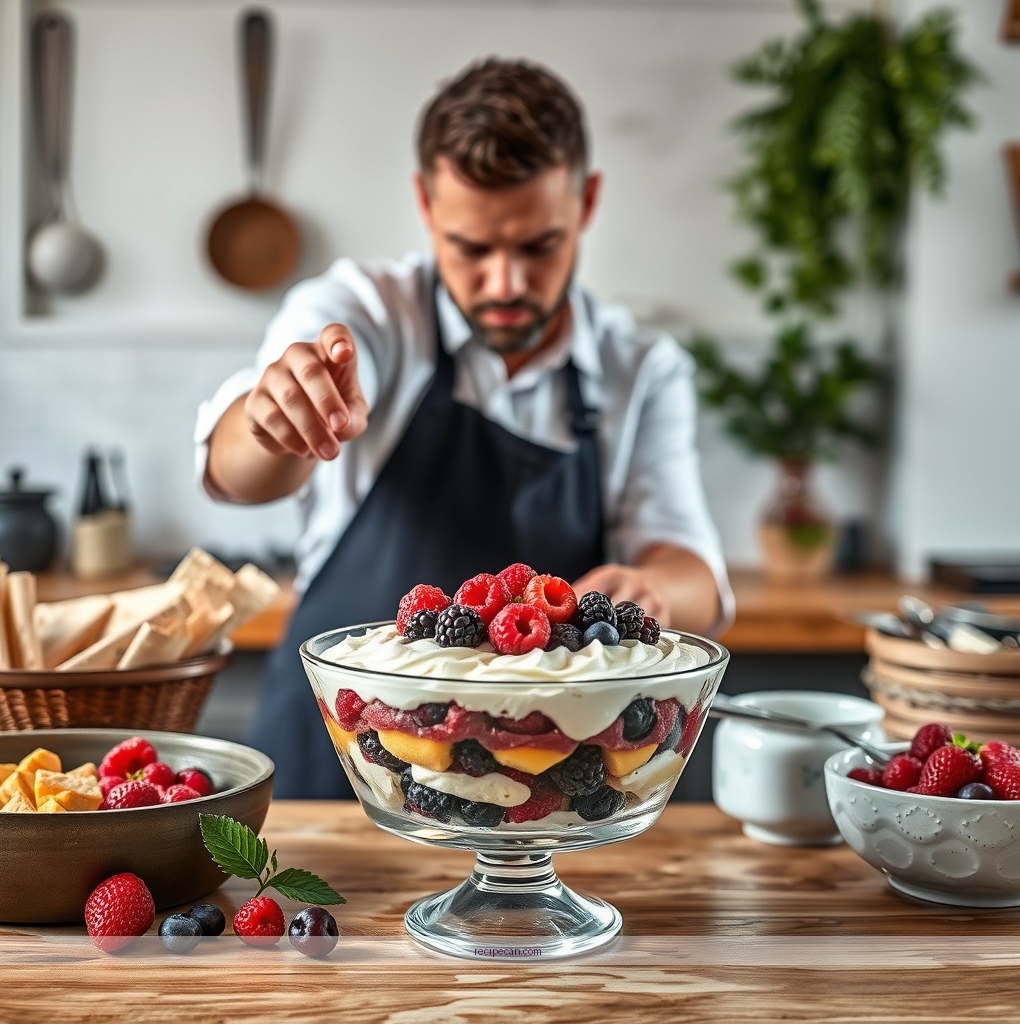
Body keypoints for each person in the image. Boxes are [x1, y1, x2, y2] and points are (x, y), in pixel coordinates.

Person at [196, 57, 733, 798]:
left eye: (539, 245)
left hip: (543, 801)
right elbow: (237, 472)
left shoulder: (638, 368)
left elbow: (692, 568)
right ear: (424, 203)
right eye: (473, 249)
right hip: (336, 781)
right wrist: (278, 416)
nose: (506, 283)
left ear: (588, 202)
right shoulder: (370, 311)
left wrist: (652, 587)